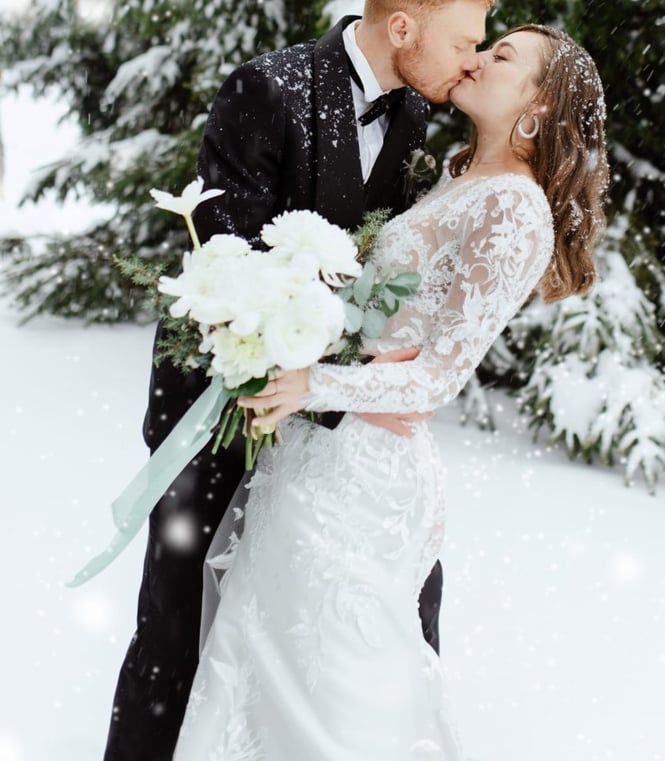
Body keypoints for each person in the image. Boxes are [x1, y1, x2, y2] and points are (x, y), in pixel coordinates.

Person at [173, 23, 609, 761]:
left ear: (538, 109)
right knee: (259, 664)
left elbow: (440, 373)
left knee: (336, 688)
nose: (476, 57)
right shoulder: (455, 171)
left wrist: (318, 380)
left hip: (366, 477)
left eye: (500, 56)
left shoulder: (514, 208)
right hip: (316, 455)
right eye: (481, 41)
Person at [104, 2, 492, 760]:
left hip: (329, 414)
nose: (474, 59)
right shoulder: (269, 89)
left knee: (401, 591)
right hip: (221, 395)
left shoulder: (413, 111)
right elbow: (229, 261)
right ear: (405, 28)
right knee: (178, 618)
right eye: (465, 40)